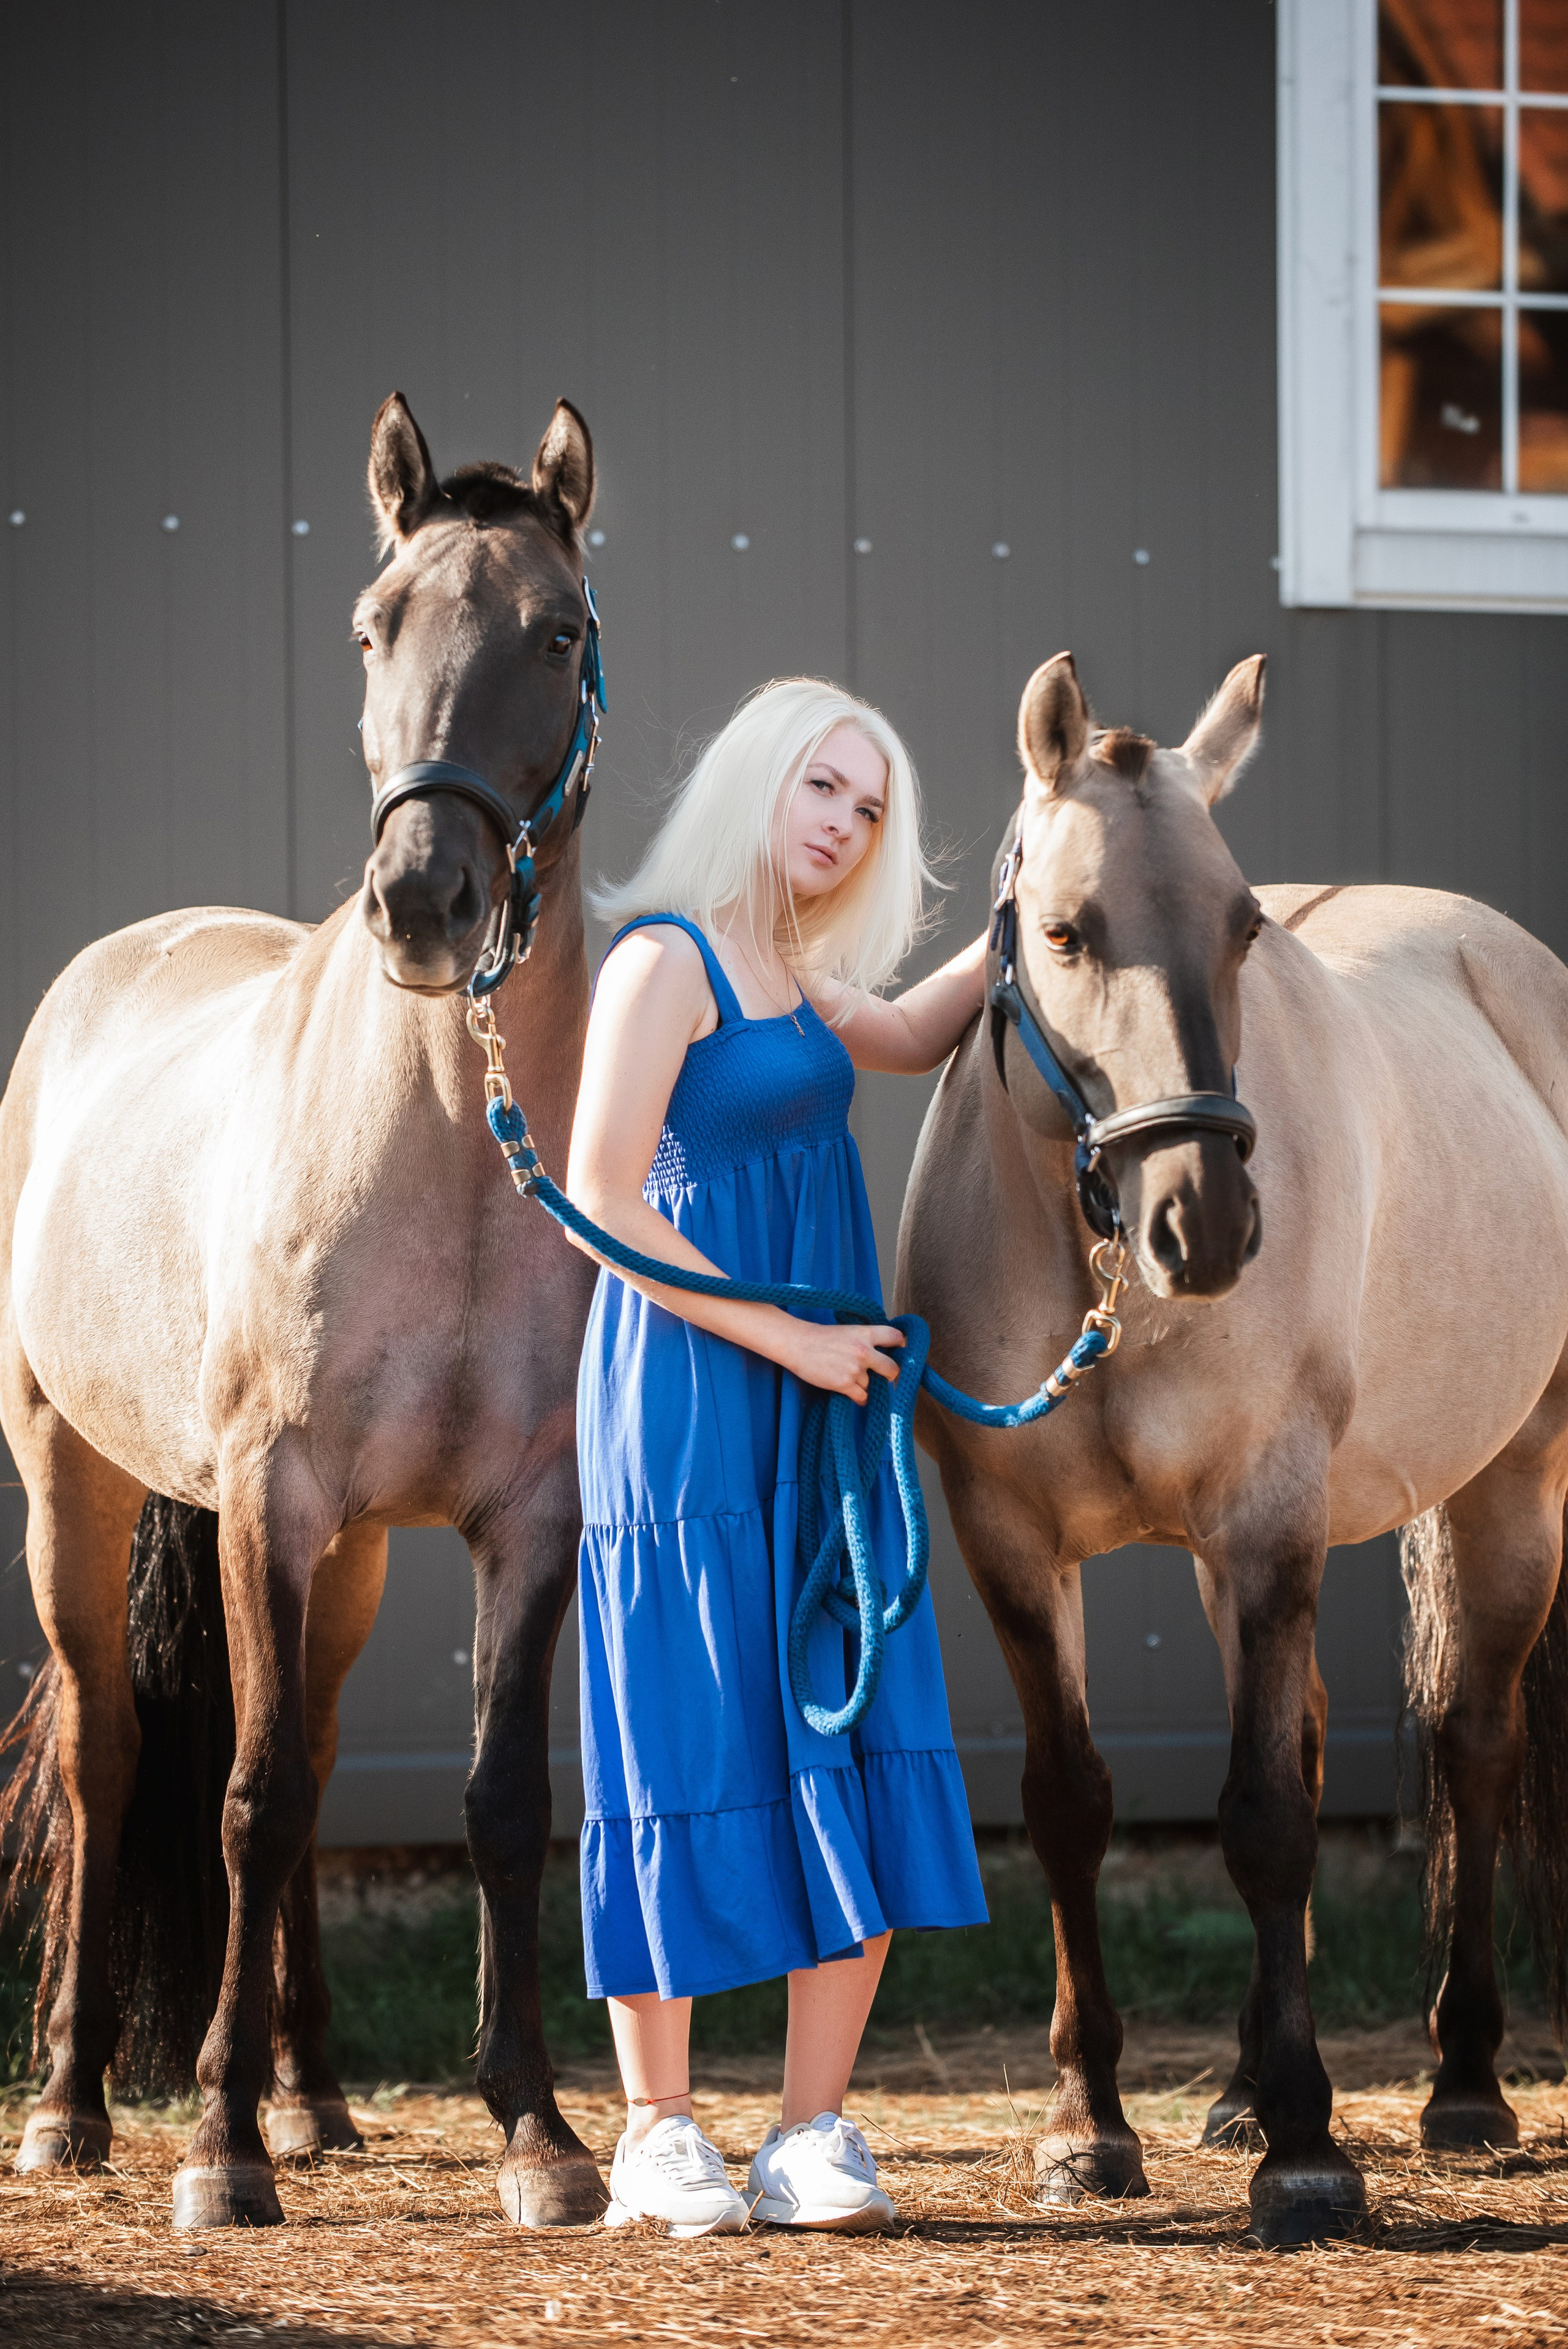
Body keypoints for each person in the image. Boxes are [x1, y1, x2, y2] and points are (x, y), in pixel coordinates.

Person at [566, 677, 989, 2238]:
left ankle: (810, 2131)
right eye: (823, 787)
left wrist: (1029, 903)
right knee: (681, 1729)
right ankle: (658, 2131)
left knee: (848, 1706)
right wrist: (791, 1340)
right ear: (757, 777)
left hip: (816, 1397)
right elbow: (603, 1198)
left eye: (868, 808)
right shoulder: (662, 961)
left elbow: (913, 1031)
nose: (844, 825)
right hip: (689, 1393)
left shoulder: (798, 976)